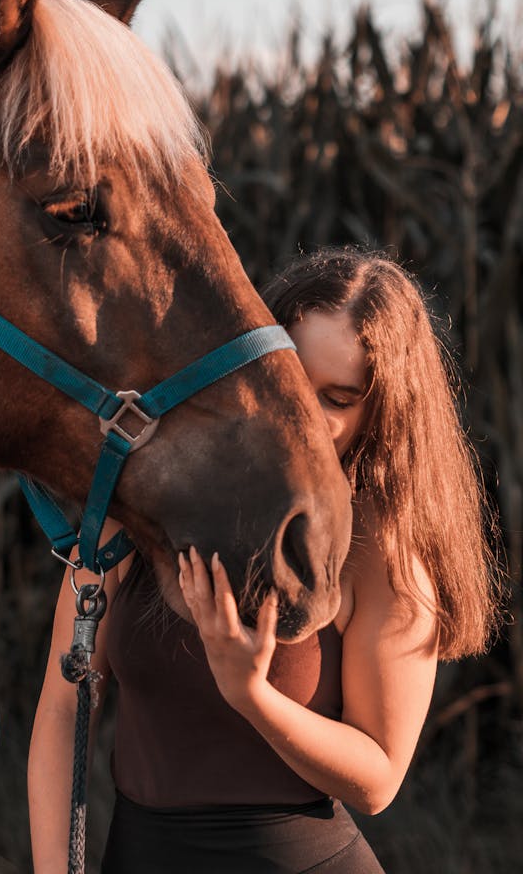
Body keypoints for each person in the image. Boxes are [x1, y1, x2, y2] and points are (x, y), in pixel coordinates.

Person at [28, 247, 501, 874]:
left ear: (379, 414)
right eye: (291, 380)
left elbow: (379, 777)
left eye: (337, 398)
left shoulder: (380, 546)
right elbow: (65, 708)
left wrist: (253, 695)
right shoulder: (144, 500)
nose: (303, 415)